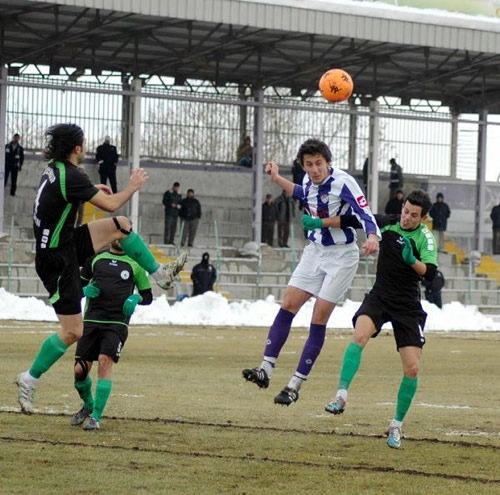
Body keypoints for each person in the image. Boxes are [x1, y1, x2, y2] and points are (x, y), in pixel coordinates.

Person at [16, 123, 187, 415]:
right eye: (84, 144)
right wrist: (132, 186)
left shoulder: (56, 170)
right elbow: (109, 204)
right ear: (77, 148)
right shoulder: (71, 175)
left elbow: (60, 198)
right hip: (56, 259)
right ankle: (28, 379)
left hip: (66, 242)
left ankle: (159, 273)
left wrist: (89, 189)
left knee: (122, 226)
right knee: (73, 332)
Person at [242, 138, 380, 406]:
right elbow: (299, 192)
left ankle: (295, 384)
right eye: (309, 165)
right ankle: (265, 369)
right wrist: (277, 179)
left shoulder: (344, 182)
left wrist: (372, 236)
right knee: (288, 304)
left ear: (328, 162)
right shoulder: (307, 180)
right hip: (315, 251)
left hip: (342, 256)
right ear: (303, 166)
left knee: (318, 317)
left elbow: (365, 213)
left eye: (319, 163)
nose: (315, 169)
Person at [325, 189, 438, 449]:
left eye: (413, 215)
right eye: (405, 211)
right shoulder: (386, 223)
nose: (407, 218)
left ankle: (396, 425)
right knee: (360, 335)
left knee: (412, 368)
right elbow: (352, 220)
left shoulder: (425, 238)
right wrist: (321, 222)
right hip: (381, 296)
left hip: (407, 305)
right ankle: (341, 395)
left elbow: (430, 273)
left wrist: (413, 261)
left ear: (423, 218)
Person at [71, 240, 153, 430]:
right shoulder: (95, 259)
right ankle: (89, 406)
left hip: (116, 323)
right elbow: (75, 287)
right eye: (118, 236)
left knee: (104, 361)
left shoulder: (136, 264)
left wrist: (136, 297)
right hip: (91, 321)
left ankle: (96, 417)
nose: (120, 240)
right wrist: (83, 291)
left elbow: (147, 296)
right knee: (79, 371)